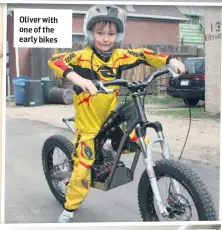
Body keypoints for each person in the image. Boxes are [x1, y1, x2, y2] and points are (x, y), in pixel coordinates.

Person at [48, 4, 185, 223]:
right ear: (90, 33)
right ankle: (69, 208)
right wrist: (81, 81)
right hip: (88, 125)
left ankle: (111, 149)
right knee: (83, 168)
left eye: (111, 33)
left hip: (109, 117)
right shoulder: (82, 57)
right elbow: (55, 60)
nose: (105, 38)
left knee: (137, 141)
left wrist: (170, 60)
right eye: (100, 33)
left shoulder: (120, 56)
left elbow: (143, 54)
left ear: (118, 35)